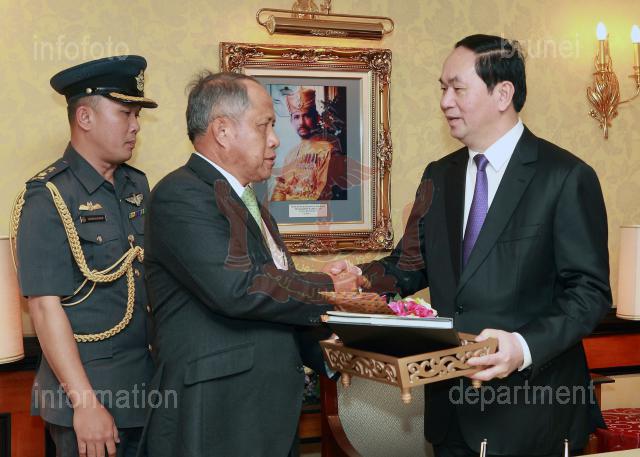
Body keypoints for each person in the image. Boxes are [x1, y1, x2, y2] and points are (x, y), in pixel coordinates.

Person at [327, 34, 611, 456]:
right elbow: (410, 263)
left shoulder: (564, 177)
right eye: (443, 88)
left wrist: (522, 346)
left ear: (503, 94)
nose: (445, 101)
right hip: (451, 414)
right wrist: (361, 278)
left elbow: (589, 294)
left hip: (532, 413)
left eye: (458, 88)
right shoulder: (439, 175)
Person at [140, 71, 361, 457]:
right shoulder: (181, 195)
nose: (275, 139)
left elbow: (275, 296)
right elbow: (238, 288)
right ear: (222, 131)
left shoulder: (250, 203)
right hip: (217, 415)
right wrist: (327, 286)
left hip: (263, 412)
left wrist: (347, 351)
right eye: (264, 125)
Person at [13, 55, 158, 457]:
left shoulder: (135, 185)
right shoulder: (48, 197)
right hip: (91, 398)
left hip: (146, 391)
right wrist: (85, 404)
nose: (135, 125)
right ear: (85, 117)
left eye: (137, 115)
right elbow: (44, 308)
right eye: (125, 113)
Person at [271, 86, 347, 201]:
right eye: (296, 117)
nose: (301, 122)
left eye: (306, 116)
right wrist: (279, 208)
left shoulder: (327, 151)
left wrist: (289, 204)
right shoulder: (291, 155)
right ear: (291, 121)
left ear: (316, 118)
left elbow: (322, 193)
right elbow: (280, 188)